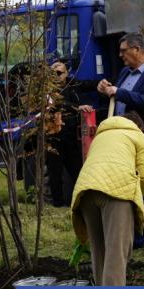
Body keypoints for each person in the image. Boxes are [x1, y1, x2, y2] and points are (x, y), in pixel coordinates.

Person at [97, 32, 144, 256]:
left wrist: (120, 92)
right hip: (123, 140)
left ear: (137, 50)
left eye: (123, 51)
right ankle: (137, 237)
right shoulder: (124, 72)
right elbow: (118, 98)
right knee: (128, 189)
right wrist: (106, 89)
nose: (120, 56)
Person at [70, 112, 144, 286]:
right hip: (118, 192)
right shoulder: (138, 136)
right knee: (116, 254)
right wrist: (135, 195)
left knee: (98, 251)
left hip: (86, 191)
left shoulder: (101, 136)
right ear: (139, 126)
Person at [46, 60, 88, 207]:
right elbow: (58, 104)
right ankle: (57, 203)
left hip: (71, 136)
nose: (56, 76)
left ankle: (81, 199)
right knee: (54, 171)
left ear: (66, 73)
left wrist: (105, 84)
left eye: (59, 73)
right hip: (54, 136)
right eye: (53, 73)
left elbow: (87, 85)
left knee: (76, 168)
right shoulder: (48, 89)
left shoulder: (72, 86)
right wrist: (78, 107)